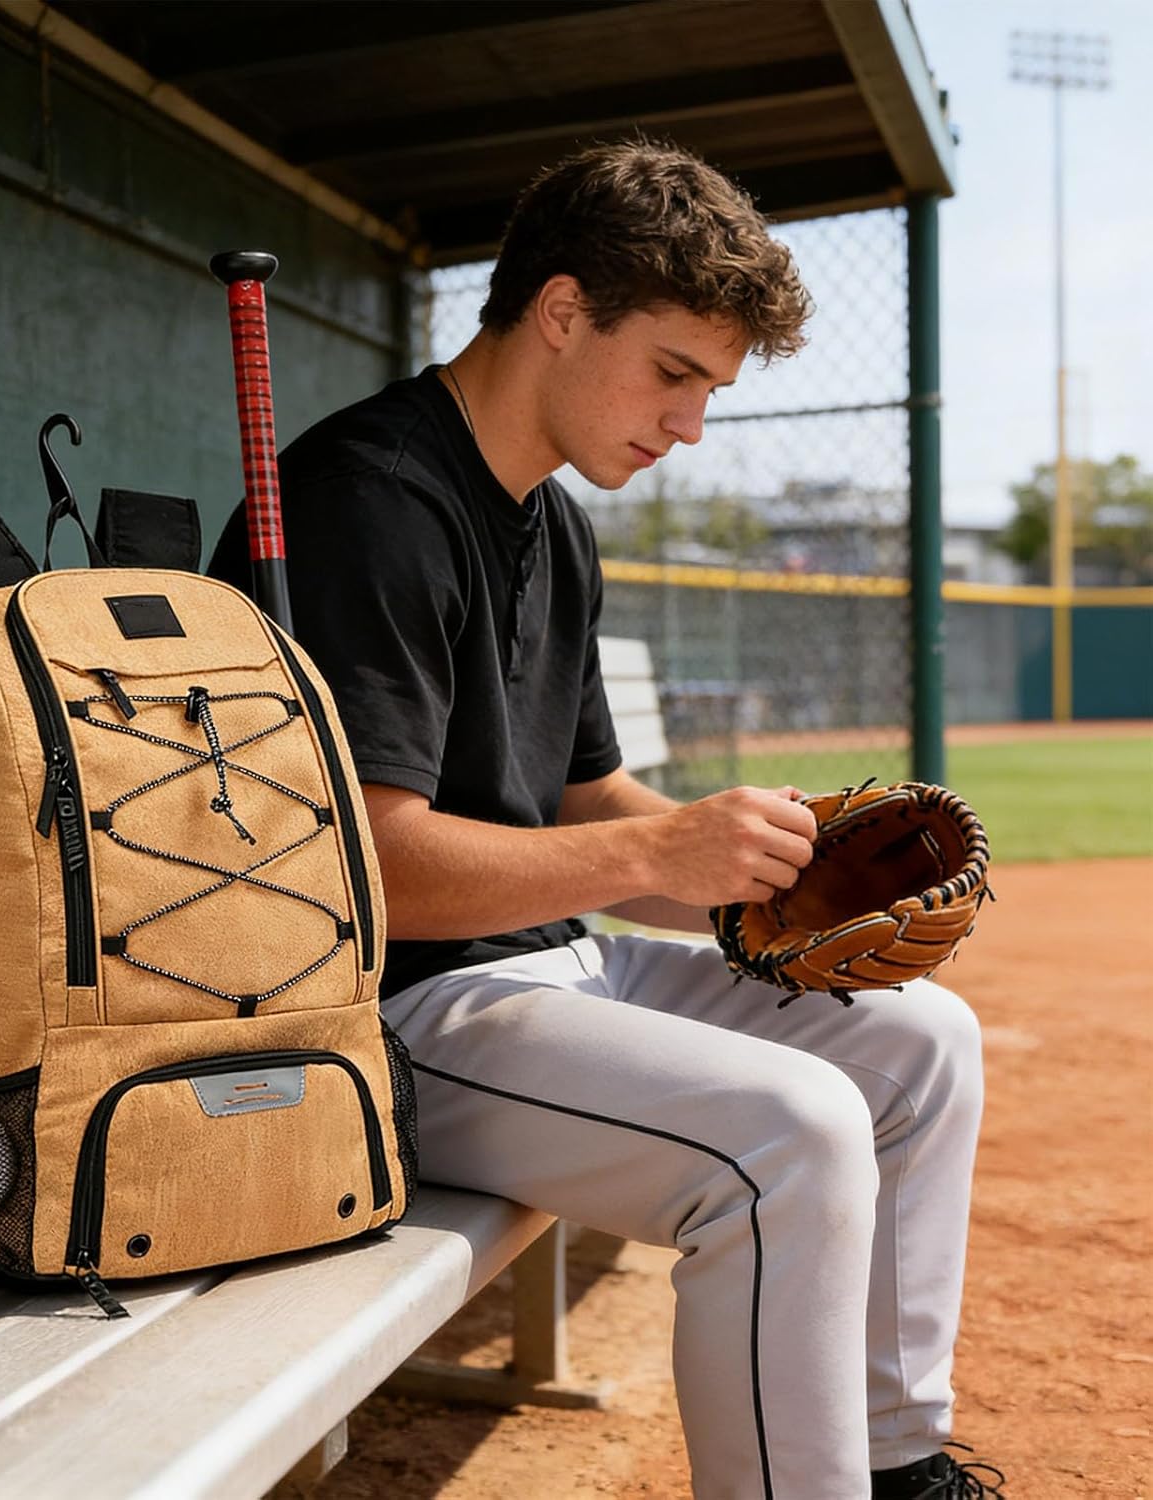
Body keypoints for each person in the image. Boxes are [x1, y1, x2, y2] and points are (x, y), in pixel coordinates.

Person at [209, 139, 1003, 1500]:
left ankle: (894, 1465)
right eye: (674, 372)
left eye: (711, 389)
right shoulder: (366, 501)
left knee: (924, 1043)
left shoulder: (554, 523)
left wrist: (753, 872)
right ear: (563, 312)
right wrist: (654, 851)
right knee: (791, 1135)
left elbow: (582, 802)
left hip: (550, 967)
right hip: (385, 1016)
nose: (688, 423)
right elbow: (368, 875)